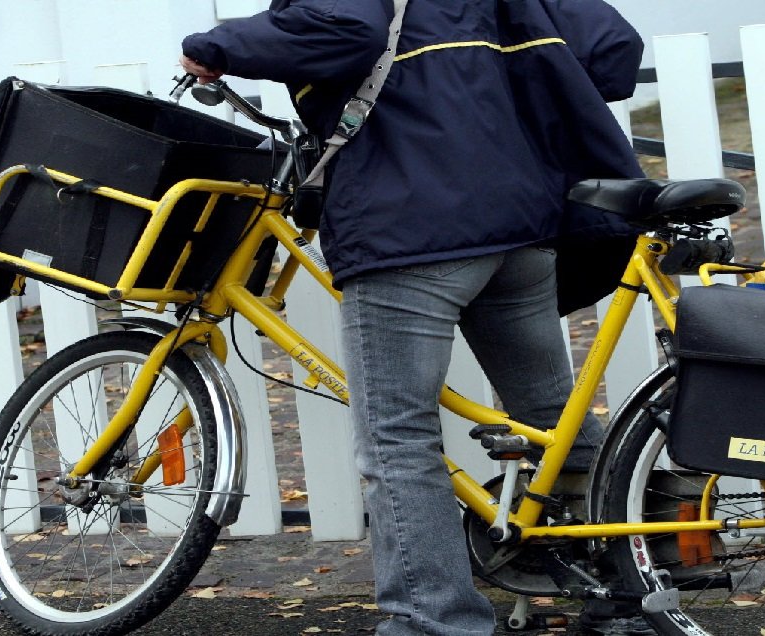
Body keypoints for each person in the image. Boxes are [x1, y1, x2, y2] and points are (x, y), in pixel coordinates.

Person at [181, 1, 651, 634]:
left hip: (413, 226)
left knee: (398, 438)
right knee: (551, 419)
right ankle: (630, 590)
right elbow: (612, 48)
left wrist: (216, 47)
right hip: (522, 221)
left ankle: (432, 620)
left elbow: (347, 25)